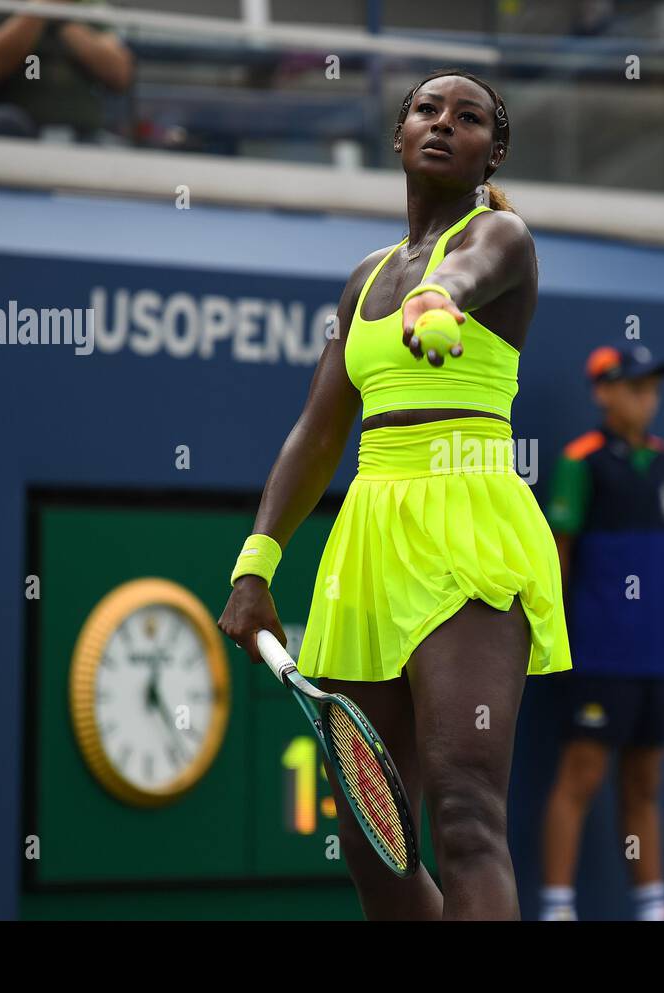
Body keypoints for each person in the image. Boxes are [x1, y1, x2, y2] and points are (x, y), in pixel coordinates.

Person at [217, 69, 572, 921]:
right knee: (372, 842)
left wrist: (439, 299)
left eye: (469, 117)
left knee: (465, 813)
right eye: (426, 110)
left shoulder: (504, 237)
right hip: (369, 547)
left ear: (494, 151)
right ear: (401, 134)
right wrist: (256, 565)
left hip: (469, 532)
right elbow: (318, 433)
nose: (443, 123)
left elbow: (467, 274)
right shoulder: (363, 279)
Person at [539, 343, 664, 921]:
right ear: (604, 391)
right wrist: (560, 641)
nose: (648, 398)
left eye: (653, 388)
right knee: (581, 778)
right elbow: (558, 556)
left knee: (644, 784)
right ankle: (557, 908)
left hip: (655, 657)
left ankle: (652, 907)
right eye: (635, 387)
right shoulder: (581, 461)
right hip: (599, 653)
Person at [0, 0, 132, 138]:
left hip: (85, 139)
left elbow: (121, 73)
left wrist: (61, 19)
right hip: (5, 140)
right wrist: (39, 11)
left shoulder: (84, 7)